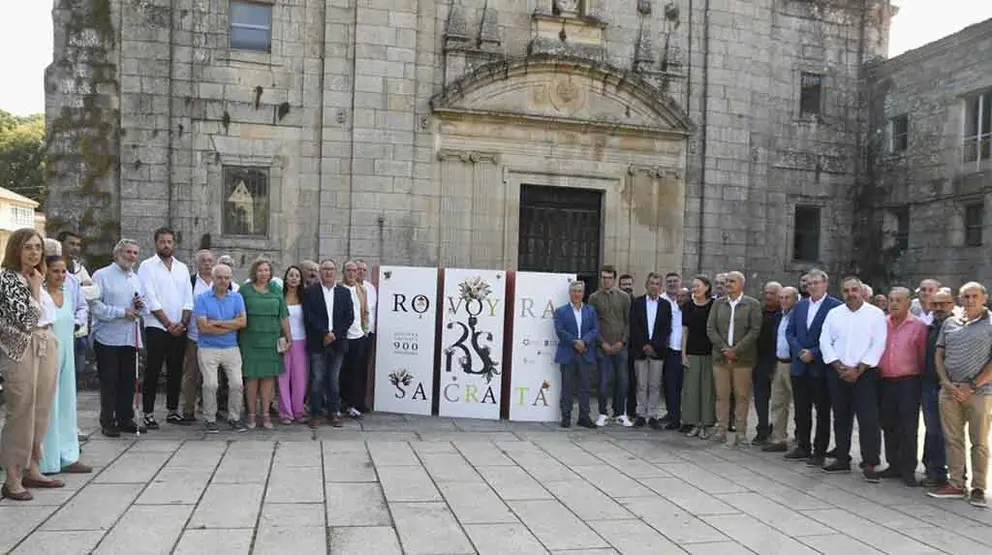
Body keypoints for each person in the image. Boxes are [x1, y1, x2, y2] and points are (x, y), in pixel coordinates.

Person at [0, 229, 61, 501]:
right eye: (28, 247)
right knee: (21, 409)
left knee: (41, 409)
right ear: (16, 249)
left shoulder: (37, 275)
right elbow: (26, 319)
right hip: (20, 346)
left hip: (46, 342)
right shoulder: (8, 279)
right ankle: (11, 476)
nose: (34, 252)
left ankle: (32, 468)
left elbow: (50, 313)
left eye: (38, 247)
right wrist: (36, 288)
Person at [928, 282, 992, 508]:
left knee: (979, 442)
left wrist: (972, 386)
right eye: (966, 296)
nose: (970, 300)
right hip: (949, 391)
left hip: (980, 392)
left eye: (975, 295)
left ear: (984, 297)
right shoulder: (950, 322)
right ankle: (955, 484)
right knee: (952, 439)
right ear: (960, 299)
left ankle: (978, 487)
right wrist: (945, 382)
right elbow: (939, 353)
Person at [819, 276, 887, 481]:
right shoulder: (834, 314)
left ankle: (871, 462)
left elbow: (879, 344)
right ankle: (842, 458)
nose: (851, 294)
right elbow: (825, 341)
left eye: (854, 289)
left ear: (862, 291)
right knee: (841, 416)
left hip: (865, 374)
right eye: (846, 290)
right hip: (837, 372)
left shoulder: (875, 314)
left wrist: (859, 369)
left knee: (868, 419)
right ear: (842, 293)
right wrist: (838, 366)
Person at [39, 242, 91, 475]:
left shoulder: (68, 293)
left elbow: (81, 313)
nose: (60, 275)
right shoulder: (39, 295)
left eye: (63, 271)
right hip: (46, 355)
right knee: (48, 406)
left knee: (67, 405)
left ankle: (69, 455)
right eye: (55, 271)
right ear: (45, 272)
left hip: (67, 356)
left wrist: (79, 324)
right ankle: (46, 459)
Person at [90, 239, 148, 438]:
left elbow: (145, 308)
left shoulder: (136, 278)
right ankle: (108, 420)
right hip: (107, 337)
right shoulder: (101, 275)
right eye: (128, 252)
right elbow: (95, 306)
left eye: (135, 253)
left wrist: (140, 305)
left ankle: (125, 418)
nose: (132, 256)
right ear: (118, 254)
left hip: (130, 337)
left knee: (128, 381)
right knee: (110, 380)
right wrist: (121, 312)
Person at [138, 227, 194, 428]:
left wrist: (183, 323)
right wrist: (168, 323)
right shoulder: (147, 266)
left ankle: (172, 411)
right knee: (153, 370)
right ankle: (149, 413)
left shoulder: (182, 268)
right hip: (157, 327)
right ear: (156, 243)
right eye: (162, 241)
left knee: (175, 370)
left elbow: (189, 298)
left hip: (180, 327)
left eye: (169, 241)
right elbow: (149, 298)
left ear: (174, 244)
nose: (166, 245)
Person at [785, 268, 841, 466]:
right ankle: (803, 446)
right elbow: (790, 333)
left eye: (817, 283)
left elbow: (836, 338)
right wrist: (800, 351)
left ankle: (819, 451)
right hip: (800, 366)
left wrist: (814, 353)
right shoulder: (799, 306)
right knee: (801, 409)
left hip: (821, 368)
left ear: (825, 284)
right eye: (809, 284)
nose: (813, 286)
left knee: (823, 411)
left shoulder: (835, 307)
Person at [878, 287, 928, 487]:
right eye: (891, 299)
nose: (894, 303)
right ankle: (893, 464)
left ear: (908, 303)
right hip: (885, 381)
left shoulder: (919, 326)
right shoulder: (882, 324)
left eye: (899, 300)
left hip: (909, 381)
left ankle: (908, 469)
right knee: (888, 424)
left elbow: (923, 356)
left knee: (908, 426)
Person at [706, 271, 762, 446]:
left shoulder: (752, 304)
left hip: (742, 359)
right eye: (726, 281)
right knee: (721, 396)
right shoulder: (718, 304)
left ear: (741, 284)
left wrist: (736, 350)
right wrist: (724, 348)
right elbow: (710, 328)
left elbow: (754, 330)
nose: (728, 284)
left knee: (742, 396)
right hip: (721, 358)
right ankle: (721, 429)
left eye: (732, 281)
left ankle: (740, 433)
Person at [193, 264, 247, 433]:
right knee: (210, 384)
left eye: (227, 277)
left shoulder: (237, 298)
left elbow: (243, 323)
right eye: (220, 277)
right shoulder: (202, 299)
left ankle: (234, 417)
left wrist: (216, 322)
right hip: (208, 348)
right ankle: (210, 418)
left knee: (237, 384)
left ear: (231, 279)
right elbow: (203, 328)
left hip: (231, 347)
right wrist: (231, 325)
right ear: (213, 278)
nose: (223, 281)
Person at [240, 259, 290, 429]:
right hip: (250, 340)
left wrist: (288, 338)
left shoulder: (276, 290)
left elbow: (283, 316)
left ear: (271, 273)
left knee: (269, 378)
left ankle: (266, 415)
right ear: (254, 272)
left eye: (267, 270)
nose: (263, 273)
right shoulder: (245, 290)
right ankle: (252, 415)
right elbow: (238, 314)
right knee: (252, 378)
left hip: (271, 340)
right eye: (260, 270)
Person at [303, 259, 354, 428]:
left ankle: (334, 412)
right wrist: (324, 333)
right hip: (318, 342)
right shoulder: (311, 292)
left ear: (336, 272)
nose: (328, 272)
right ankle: (316, 413)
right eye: (324, 269)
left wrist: (334, 334)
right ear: (320, 272)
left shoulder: (344, 293)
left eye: (331, 269)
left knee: (333, 379)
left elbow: (349, 317)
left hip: (337, 342)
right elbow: (309, 316)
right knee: (317, 379)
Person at [587, 265, 632, 427]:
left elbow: (628, 322)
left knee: (622, 381)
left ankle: (620, 413)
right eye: (603, 277)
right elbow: (593, 323)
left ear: (614, 279)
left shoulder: (624, 297)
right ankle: (602, 413)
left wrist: (622, 341)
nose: (606, 281)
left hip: (621, 346)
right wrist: (602, 343)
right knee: (603, 381)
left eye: (609, 278)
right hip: (602, 347)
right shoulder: (594, 298)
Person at [553, 280, 599, 429]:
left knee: (585, 387)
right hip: (568, 353)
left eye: (579, 291)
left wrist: (584, 342)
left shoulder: (591, 311)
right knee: (567, 387)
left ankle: (584, 417)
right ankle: (566, 417)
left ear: (583, 293)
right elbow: (560, 331)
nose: (576, 294)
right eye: (574, 291)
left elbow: (595, 330)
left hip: (586, 353)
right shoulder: (561, 311)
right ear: (570, 293)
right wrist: (575, 342)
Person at [921, 288, 955, 488]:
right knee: (933, 431)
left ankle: (954, 474)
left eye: (944, 304)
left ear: (952, 305)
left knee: (951, 433)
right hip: (929, 385)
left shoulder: (958, 327)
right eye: (935, 305)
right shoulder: (930, 328)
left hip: (950, 387)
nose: (939, 308)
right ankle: (935, 470)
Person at [630, 273, 672, 429]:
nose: (654, 286)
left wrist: (653, 346)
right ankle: (641, 414)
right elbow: (634, 326)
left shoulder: (665, 305)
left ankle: (653, 415)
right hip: (640, 350)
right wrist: (644, 345)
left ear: (660, 287)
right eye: (651, 283)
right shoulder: (637, 303)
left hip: (657, 352)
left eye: (657, 283)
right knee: (641, 384)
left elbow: (666, 329)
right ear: (646, 285)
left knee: (655, 384)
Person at [763, 286, 799, 452]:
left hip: (794, 364)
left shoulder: (799, 316)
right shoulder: (779, 316)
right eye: (782, 297)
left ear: (795, 300)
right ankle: (778, 439)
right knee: (778, 402)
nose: (783, 301)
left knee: (799, 404)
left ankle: (801, 439)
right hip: (779, 364)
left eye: (787, 298)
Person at [681, 275, 716, 439]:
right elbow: (685, 331)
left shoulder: (714, 305)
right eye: (693, 286)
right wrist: (683, 354)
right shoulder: (688, 306)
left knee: (707, 390)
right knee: (692, 390)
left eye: (698, 286)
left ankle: (706, 424)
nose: (695, 289)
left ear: (707, 287)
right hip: (692, 353)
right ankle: (694, 423)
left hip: (709, 353)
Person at [753, 281, 783, 445]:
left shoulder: (784, 313)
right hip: (760, 359)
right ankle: (762, 428)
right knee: (760, 396)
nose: (768, 296)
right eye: (766, 293)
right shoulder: (759, 312)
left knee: (780, 400)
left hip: (778, 360)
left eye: (772, 293)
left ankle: (778, 430)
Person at [340, 261, 370, 418]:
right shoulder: (338, 289)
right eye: (348, 270)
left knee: (356, 372)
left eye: (354, 270)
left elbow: (365, 311)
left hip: (358, 337)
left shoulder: (362, 290)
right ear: (343, 272)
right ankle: (342, 403)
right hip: (343, 337)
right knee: (341, 372)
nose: (352, 273)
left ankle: (354, 404)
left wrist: (365, 330)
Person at [279, 265, 309, 424]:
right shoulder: (279, 296)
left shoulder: (305, 298)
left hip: (301, 340)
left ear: (300, 279)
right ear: (286, 278)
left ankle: (298, 410)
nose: (294, 278)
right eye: (291, 275)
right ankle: (285, 413)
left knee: (300, 378)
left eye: (297, 276)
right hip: (284, 341)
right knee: (283, 377)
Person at [660, 272, 685, 431]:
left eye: (675, 281)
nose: (672, 284)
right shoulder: (662, 300)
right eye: (669, 281)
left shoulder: (686, 299)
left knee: (682, 386)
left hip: (684, 350)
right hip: (668, 349)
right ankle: (672, 414)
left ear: (680, 282)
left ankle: (680, 415)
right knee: (669, 384)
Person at [618, 273, 637, 419]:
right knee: (619, 379)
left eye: (629, 284)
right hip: (619, 345)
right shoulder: (617, 301)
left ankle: (631, 409)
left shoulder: (637, 302)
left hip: (634, 348)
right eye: (624, 284)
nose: (627, 287)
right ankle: (617, 410)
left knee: (632, 380)